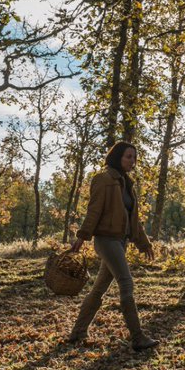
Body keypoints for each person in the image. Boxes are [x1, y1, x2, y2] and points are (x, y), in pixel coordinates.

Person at [66, 141, 159, 350]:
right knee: (126, 283)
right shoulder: (103, 179)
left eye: (134, 158)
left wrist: (144, 243)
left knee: (99, 288)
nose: (132, 161)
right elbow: (94, 210)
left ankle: (77, 332)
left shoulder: (126, 183)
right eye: (128, 157)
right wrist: (82, 236)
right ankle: (138, 337)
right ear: (117, 157)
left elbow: (133, 218)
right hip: (106, 240)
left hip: (120, 241)